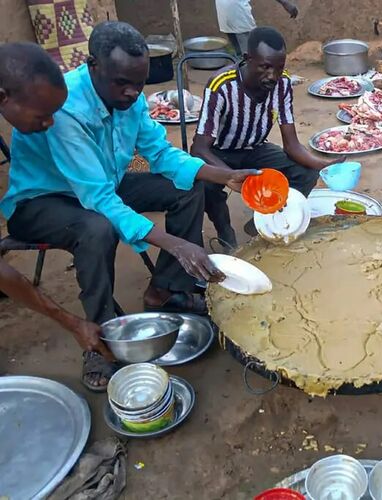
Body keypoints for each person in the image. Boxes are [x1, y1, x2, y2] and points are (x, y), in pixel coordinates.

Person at [0, 22, 258, 390]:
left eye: (139, 83)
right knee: (96, 227)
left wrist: (224, 175)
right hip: (42, 200)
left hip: (103, 182)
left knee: (187, 189)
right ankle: (100, 334)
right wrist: (175, 244)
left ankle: (165, 289)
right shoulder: (63, 108)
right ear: (94, 66)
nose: (133, 93)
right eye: (123, 83)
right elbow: (99, 200)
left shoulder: (128, 96)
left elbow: (160, 153)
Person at [0, 42, 115, 371]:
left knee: (99, 220)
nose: (51, 123)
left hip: (63, 195)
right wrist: (72, 322)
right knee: (96, 227)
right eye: (42, 115)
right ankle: (100, 343)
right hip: (32, 205)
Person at [192, 26, 343, 247]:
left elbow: (292, 145)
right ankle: (225, 231)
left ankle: (264, 221)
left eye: (279, 68)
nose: (272, 76)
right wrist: (229, 175)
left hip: (256, 148)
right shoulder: (222, 85)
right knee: (206, 185)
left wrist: (321, 164)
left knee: (306, 174)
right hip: (218, 152)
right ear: (247, 59)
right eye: (265, 67)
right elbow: (199, 149)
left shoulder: (283, 84)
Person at [215, 0, 298, 56]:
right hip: (236, 10)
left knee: (239, 53)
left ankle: (240, 73)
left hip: (223, 9)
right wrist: (284, 2)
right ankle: (248, 75)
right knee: (250, 54)